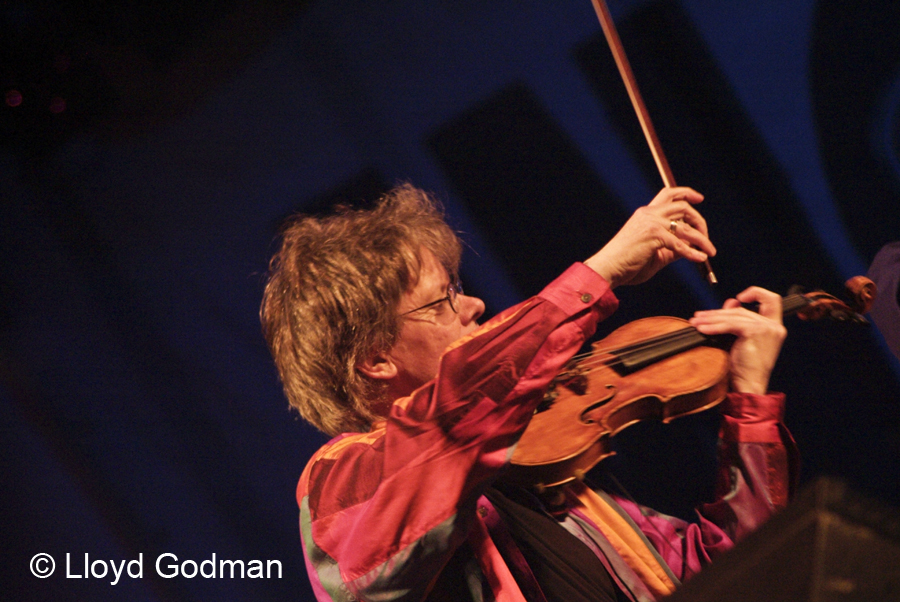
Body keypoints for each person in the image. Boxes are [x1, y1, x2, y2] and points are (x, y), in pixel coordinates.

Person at [260, 183, 796, 602]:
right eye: (442, 300)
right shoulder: (344, 487)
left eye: (461, 288)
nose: (474, 309)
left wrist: (748, 403)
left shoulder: (550, 478)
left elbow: (735, 574)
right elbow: (453, 416)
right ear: (376, 360)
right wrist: (601, 271)